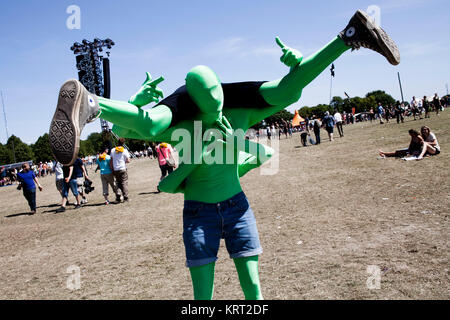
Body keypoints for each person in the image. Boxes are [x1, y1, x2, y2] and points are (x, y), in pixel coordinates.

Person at [49, 9, 400, 300]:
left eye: (216, 105)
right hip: (199, 208)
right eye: (210, 110)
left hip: (234, 206)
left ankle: (350, 33)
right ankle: (91, 102)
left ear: (221, 94)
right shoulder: (184, 116)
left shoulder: (235, 110)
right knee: (153, 121)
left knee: (284, 90)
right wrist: (138, 106)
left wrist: (296, 69)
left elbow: (286, 100)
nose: (214, 114)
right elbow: (137, 131)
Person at [110, 138, 130, 202]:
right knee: (124, 182)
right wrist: (124, 161)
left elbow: (111, 160)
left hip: (116, 169)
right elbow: (128, 160)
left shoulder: (113, 150)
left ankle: (118, 194)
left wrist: (112, 168)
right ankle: (126, 197)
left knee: (118, 182)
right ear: (123, 143)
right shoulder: (124, 150)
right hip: (122, 168)